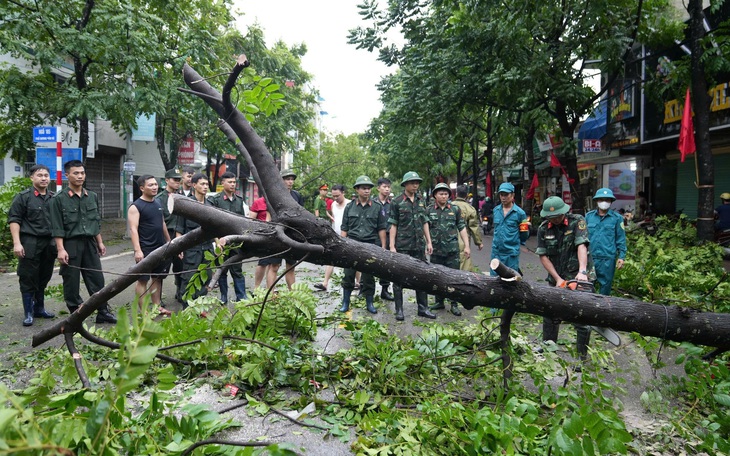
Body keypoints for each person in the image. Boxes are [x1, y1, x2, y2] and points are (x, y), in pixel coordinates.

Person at [49, 160, 117, 323]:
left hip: (90, 243)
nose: (80, 176)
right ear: (67, 175)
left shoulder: (91, 196)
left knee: (96, 278)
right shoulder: (58, 199)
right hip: (70, 244)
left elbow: (95, 221)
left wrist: (99, 242)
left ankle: (102, 311)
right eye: (76, 173)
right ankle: (75, 313)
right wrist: (60, 249)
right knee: (71, 280)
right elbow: (57, 226)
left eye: (82, 173)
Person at [536, 196, 593, 359]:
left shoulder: (577, 221)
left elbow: (581, 245)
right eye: (551, 217)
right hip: (557, 275)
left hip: (577, 274)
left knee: (580, 317)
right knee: (550, 313)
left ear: (564, 212)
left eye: (557, 217)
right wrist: (558, 279)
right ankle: (548, 349)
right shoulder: (543, 228)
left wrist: (582, 272)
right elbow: (543, 256)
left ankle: (581, 357)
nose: (554, 220)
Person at [9, 164, 57, 326]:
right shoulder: (23, 197)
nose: (43, 178)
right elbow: (14, 220)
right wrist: (17, 243)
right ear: (32, 178)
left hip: (49, 243)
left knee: (44, 275)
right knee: (28, 276)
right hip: (30, 242)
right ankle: (28, 313)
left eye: (46, 175)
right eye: (39, 175)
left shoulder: (53, 197)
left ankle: (39, 309)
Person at [389, 171, 434, 321]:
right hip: (402, 245)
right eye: (413, 182)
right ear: (405, 184)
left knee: (421, 276)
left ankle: (423, 308)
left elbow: (425, 222)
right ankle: (399, 310)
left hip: (418, 246)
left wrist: (429, 241)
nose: (416, 185)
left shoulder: (421, 200)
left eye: (417, 182)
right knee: (398, 277)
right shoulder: (396, 202)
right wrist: (392, 246)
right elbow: (393, 224)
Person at [339, 176, 387, 314]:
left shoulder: (377, 207)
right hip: (352, 244)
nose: (367, 191)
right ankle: (345, 302)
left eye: (368, 188)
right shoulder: (350, 207)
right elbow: (345, 227)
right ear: (357, 190)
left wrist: (383, 247)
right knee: (348, 274)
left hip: (369, 245)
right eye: (364, 188)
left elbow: (381, 228)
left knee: (368, 276)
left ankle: (370, 303)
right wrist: (342, 245)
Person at [128, 174, 172, 316]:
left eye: (155, 184)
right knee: (142, 280)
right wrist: (137, 250)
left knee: (157, 278)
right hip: (145, 248)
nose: (154, 187)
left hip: (160, 247)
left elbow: (162, 223)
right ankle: (144, 311)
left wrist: (169, 241)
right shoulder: (136, 206)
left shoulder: (158, 203)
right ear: (142, 188)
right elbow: (133, 229)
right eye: (150, 185)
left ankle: (157, 307)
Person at [427, 183, 470, 316]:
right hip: (436, 251)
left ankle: (454, 304)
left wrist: (467, 245)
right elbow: (425, 228)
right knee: (437, 278)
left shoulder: (455, 209)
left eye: (446, 194)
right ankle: (439, 301)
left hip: (452, 251)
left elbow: (462, 227)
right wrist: (427, 243)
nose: (444, 196)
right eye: (441, 194)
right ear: (435, 195)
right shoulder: (429, 210)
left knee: (454, 278)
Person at [208, 172, 249, 302]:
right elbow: (211, 223)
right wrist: (216, 242)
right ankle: (223, 297)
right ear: (223, 183)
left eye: (234, 182)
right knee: (222, 269)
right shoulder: (215, 200)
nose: (232, 184)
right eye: (230, 182)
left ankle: (241, 297)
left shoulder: (239, 200)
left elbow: (242, 222)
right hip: (221, 242)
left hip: (236, 242)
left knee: (237, 270)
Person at [175, 173, 215, 308]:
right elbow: (179, 229)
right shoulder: (186, 204)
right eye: (202, 184)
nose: (205, 187)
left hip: (208, 250)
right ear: (194, 185)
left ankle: (199, 308)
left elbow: (215, 227)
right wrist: (179, 247)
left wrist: (219, 241)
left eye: (207, 184)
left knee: (205, 278)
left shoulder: (210, 205)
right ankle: (186, 309)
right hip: (191, 250)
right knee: (189, 279)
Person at [264, 169, 305, 290]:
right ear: (281, 180)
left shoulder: (297, 195)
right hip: (276, 234)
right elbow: (268, 217)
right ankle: (270, 295)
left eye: (292, 179)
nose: (290, 182)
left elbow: (301, 215)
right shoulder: (273, 195)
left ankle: (293, 295)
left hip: (292, 234)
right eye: (287, 179)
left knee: (291, 266)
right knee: (274, 266)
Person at [585, 188, 627, 296]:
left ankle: (603, 310)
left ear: (611, 202)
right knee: (587, 286)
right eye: (601, 200)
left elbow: (621, 239)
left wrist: (621, 257)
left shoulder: (617, 218)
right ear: (597, 201)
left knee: (605, 287)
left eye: (607, 200)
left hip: (608, 258)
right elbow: (582, 237)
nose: (604, 202)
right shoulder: (589, 217)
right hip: (591, 258)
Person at [156, 168, 184, 302]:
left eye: (179, 180)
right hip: (165, 236)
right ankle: (158, 298)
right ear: (167, 180)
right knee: (162, 269)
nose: (177, 182)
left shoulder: (183, 197)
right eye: (175, 180)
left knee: (181, 266)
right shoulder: (159, 199)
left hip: (180, 236)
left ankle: (180, 291)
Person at [490, 182, 529, 275]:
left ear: (512, 195)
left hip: (511, 254)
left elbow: (524, 233)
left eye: (506, 195)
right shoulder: (496, 210)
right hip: (496, 253)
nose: (503, 197)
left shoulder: (520, 213)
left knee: (510, 280)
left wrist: (517, 243)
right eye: (501, 195)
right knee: (493, 280)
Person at [315, 184, 348, 291]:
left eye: (337, 196)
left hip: (348, 236)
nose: (335, 198)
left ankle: (357, 282)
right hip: (335, 236)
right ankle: (325, 283)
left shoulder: (350, 204)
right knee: (331, 258)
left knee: (353, 260)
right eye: (333, 196)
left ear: (343, 193)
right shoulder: (333, 204)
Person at [451, 184, 483, 272]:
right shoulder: (470, 209)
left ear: (456, 194)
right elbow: (474, 227)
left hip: (448, 238)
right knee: (464, 264)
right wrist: (479, 242)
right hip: (464, 239)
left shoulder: (449, 205)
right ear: (466, 195)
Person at [373, 177, 394, 300]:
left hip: (388, 236)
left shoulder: (392, 204)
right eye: (384, 187)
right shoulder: (372, 203)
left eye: (388, 187)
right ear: (378, 188)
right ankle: (365, 289)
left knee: (387, 264)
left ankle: (385, 290)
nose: (387, 189)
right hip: (373, 236)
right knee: (370, 262)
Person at [249, 193, 272, 291]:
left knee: (274, 265)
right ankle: (256, 287)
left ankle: (270, 288)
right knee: (263, 262)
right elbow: (251, 220)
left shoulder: (275, 202)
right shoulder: (258, 202)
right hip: (263, 236)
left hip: (275, 235)